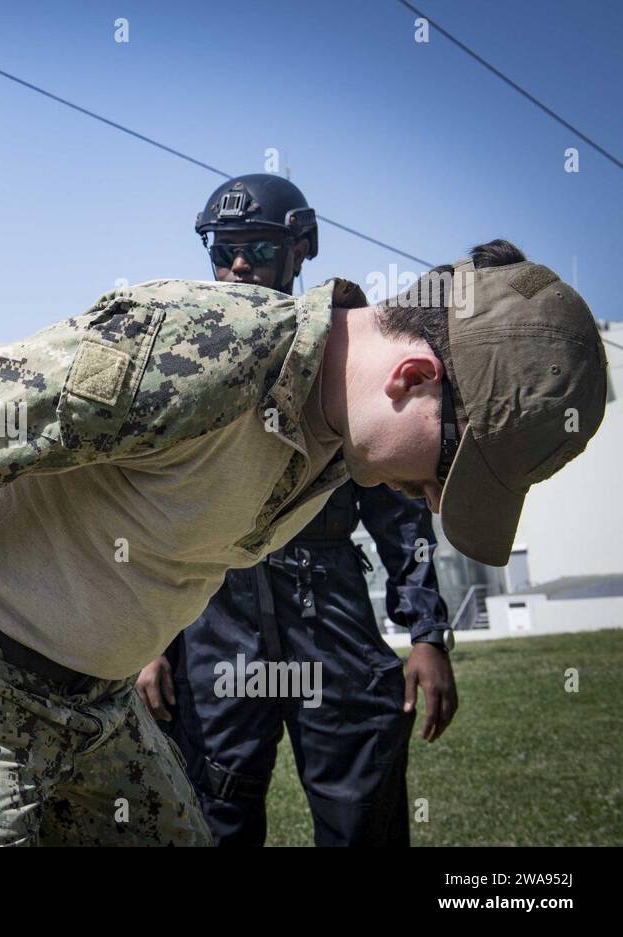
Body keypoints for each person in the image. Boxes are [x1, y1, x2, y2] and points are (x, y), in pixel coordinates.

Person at [0, 238, 608, 846]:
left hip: (90, 704)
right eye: (450, 466)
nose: (435, 496)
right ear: (411, 376)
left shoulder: (332, 435)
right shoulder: (206, 350)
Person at [132, 175, 455, 846]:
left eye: (257, 246)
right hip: (216, 618)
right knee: (214, 811)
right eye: (224, 250)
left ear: (301, 248)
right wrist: (150, 647)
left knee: (360, 806)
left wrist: (426, 633)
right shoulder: (187, 361)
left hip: (327, 607)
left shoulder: (346, 361)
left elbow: (399, 513)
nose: (239, 265)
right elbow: (154, 516)